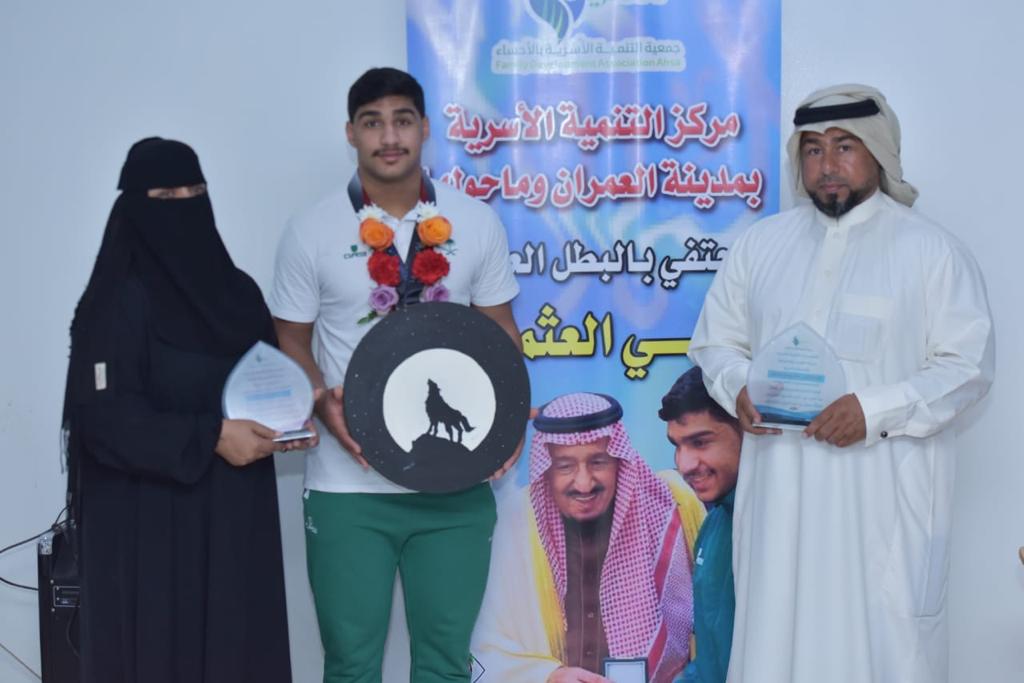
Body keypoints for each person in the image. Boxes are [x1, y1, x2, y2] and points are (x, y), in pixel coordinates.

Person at [690, 84, 995, 683]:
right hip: (779, 504)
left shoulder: (932, 251)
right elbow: (714, 343)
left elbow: (968, 368)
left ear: (879, 153)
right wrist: (739, 386)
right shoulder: (760, 247)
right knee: (775, 646)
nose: (827, 165)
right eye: (813, 150)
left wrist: (874, 410)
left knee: (883, 652)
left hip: (880, 510)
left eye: (844, 147)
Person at [269, 67, 522, 683]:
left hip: (455, 488)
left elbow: (500, 331)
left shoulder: (475, 221)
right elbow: (290, 340)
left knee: (444, 666)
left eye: (402, 120)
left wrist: (511, 420)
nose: (389, 137)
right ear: (350, 133)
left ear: (425, 128)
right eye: (373, 122)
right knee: (351, 666)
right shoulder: (311, 229)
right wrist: (320, 400)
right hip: (348, 487)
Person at [62, 137, 307, 683]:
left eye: (195, 191)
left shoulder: (238, 294)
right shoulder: (114, 303)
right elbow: (103, 423)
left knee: (237, 652)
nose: (184, 205)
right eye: (166, 195)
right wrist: (212, 436)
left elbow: (265, 380)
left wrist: (290, 423)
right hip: (147, 530)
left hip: (232, 519)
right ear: (134, 206)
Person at [472, 392, 705, 683]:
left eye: (598, 462)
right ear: (546, 470)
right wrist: (547, 676)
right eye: (565, 466)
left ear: (619, 461)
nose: (584, 484)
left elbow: (715, 624)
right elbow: (479, 643)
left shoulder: (670, 507)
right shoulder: (514, 523)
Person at [658, 366, 741, 683]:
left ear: (749, 429)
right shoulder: (713, 524)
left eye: (700, 442)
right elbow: (710, 665)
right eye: (677, 446)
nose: (684, 465)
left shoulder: (785, 524)